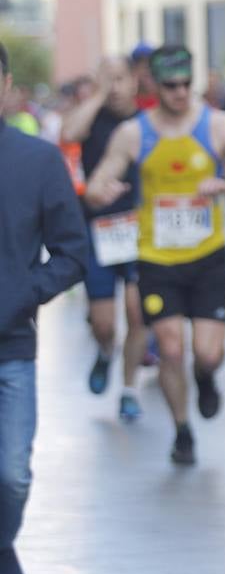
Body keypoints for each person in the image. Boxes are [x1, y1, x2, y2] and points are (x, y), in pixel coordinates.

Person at [84, 45, 225, 466]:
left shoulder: (216, 125)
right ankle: (182, 430)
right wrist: (102, 189)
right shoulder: (134, 133)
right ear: (153, 85)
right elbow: (100, 179)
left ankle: (206, 376)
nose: (179, 93)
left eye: (186, 84)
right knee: (172, 349)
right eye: (170, 85)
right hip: (156, 259)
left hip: (207, 257)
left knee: (208, 352)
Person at [0, 40, 89, 574]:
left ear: (7, 86)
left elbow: (72, 253)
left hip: (11, 348)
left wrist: (21, 296)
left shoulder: (36, 160)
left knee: (11, 476)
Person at [59, 57, 149, 421]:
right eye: (108, 79)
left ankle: (129, 389)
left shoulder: (146, 120)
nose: (115, 86)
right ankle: (105, 352)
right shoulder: (92, 117)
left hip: (141, 231)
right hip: (99, 230)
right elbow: (68, 134)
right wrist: (97, 94)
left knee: (137, 312)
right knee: (104, 322)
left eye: (121, 78)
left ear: (134, 81)